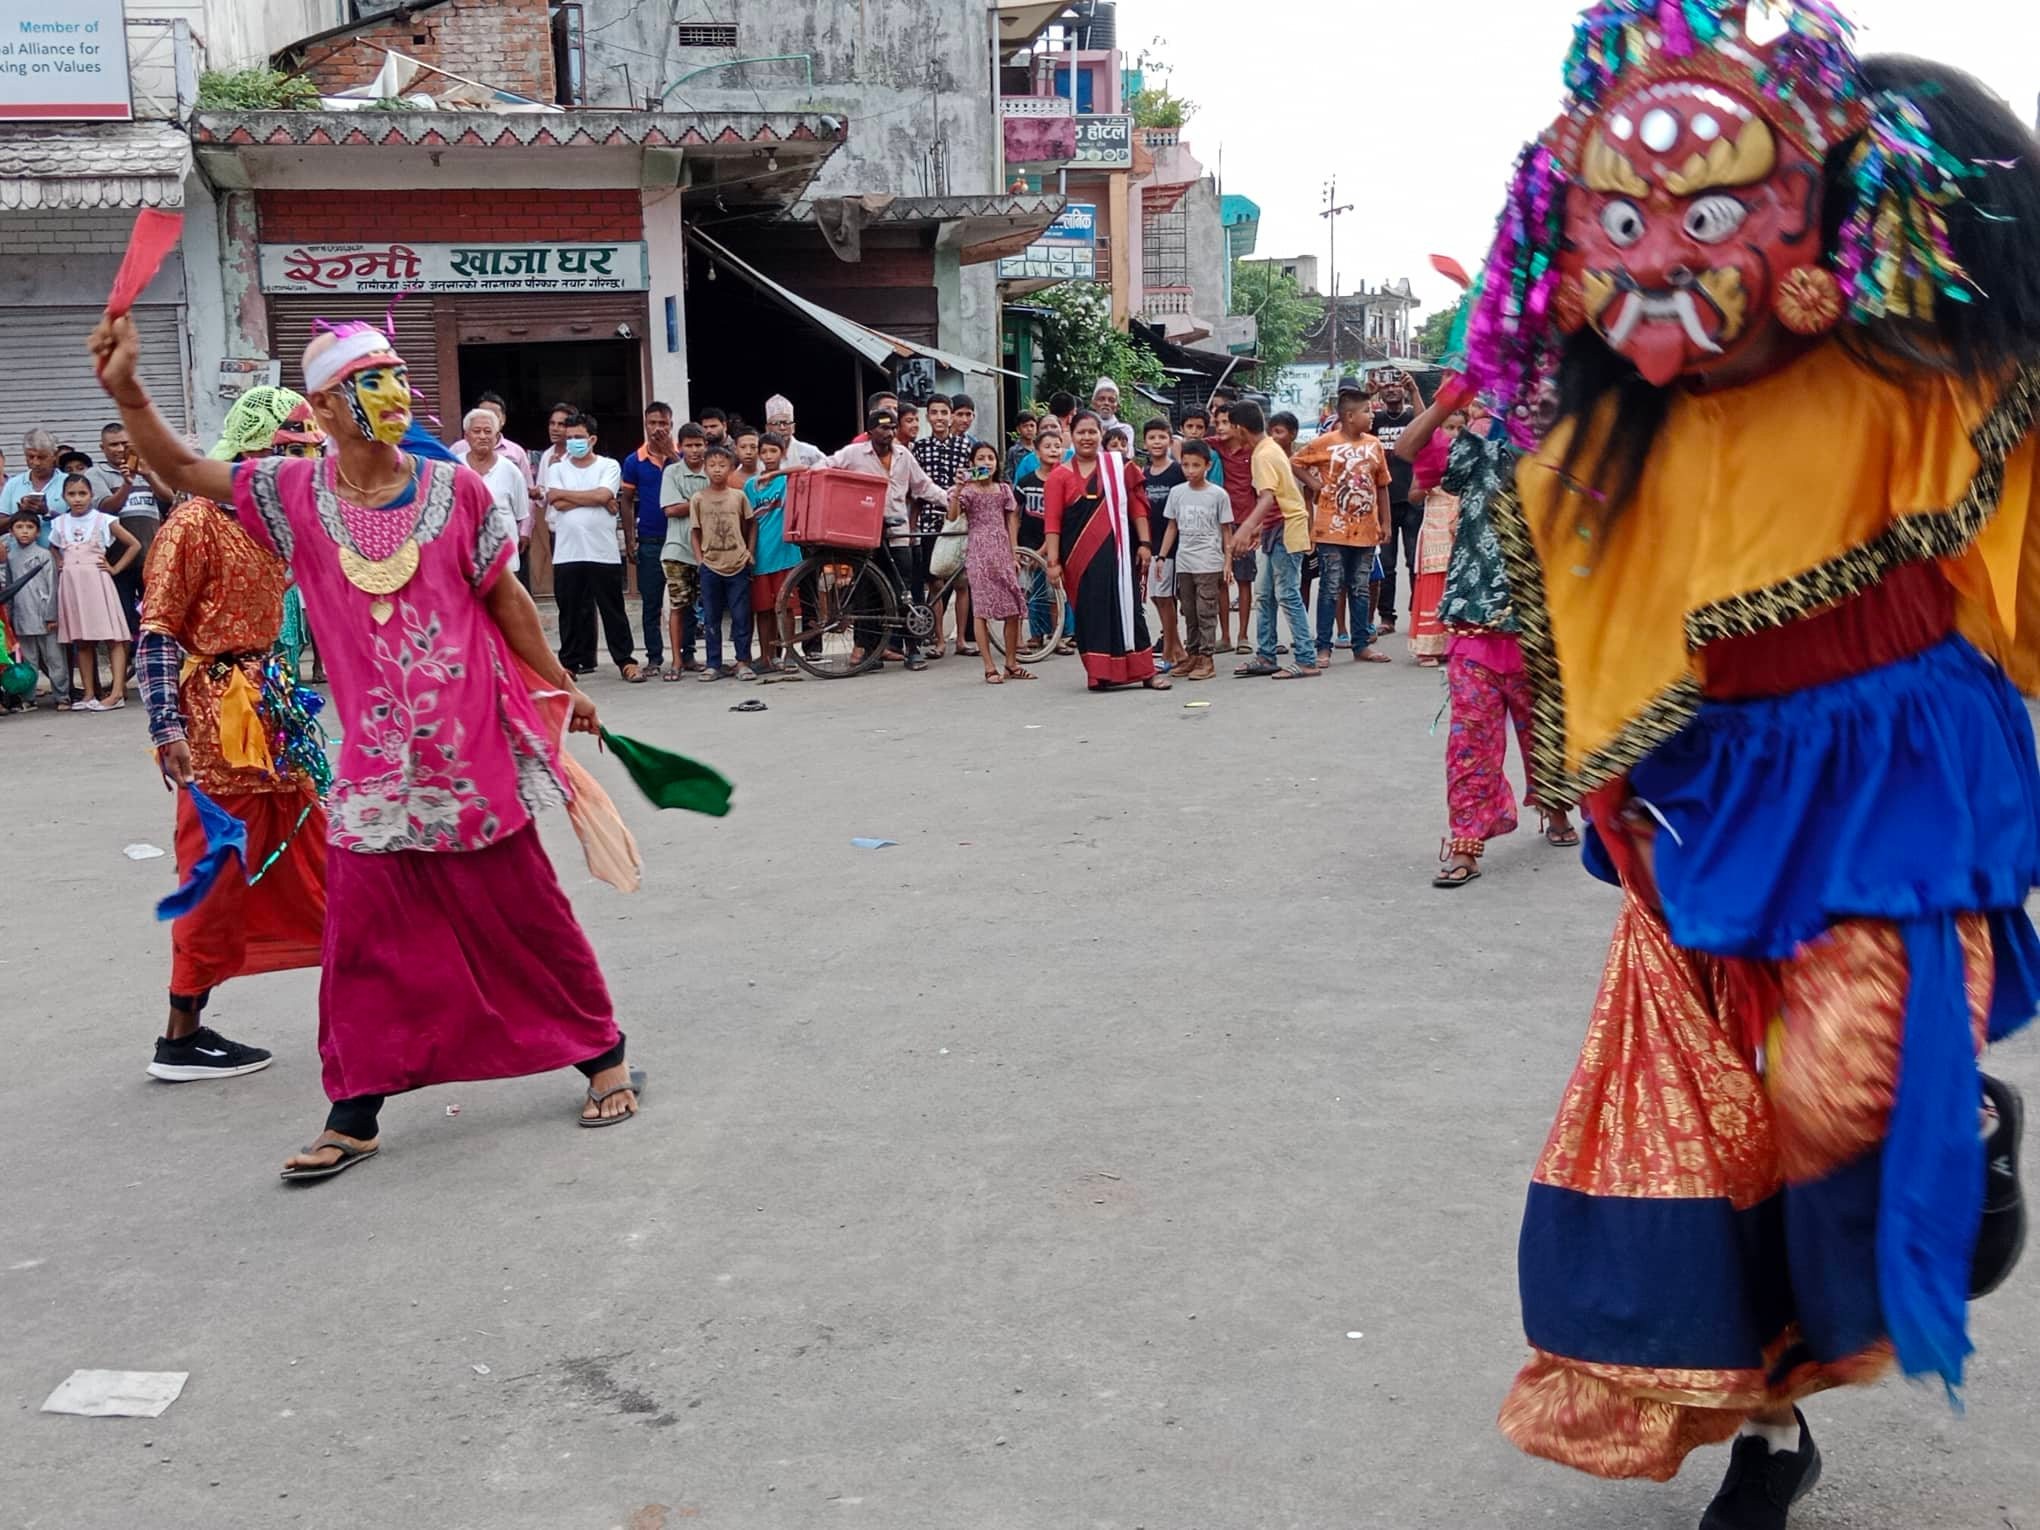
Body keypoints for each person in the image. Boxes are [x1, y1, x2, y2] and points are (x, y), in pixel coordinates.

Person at [1456, 5, 2040, 1523]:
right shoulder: (1596, 443)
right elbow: (1598, 639)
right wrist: (1613, 801)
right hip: (1707, 800)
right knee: (1714, 1136)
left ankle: (1952, 1115)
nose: (1658, 259)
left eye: (1705, 217)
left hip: (1893, 765)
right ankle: (1769, 1424)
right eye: (1624, 222)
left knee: (1842, 1093)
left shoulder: (1913, 381)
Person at [93, 312, 644, 1180]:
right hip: (374, 773)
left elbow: (505, 600)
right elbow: (187, 471)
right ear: (324, 407)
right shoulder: (292, 494)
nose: (391, 393)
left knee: (524, 915)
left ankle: (602, 1053)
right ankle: (354, 1110)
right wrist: (129, 392)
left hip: (471, 759)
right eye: (368, 381)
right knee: (361, 943)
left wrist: (562, 683)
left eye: (394, 377)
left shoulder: (456, 491)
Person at [133, 399, 330, 1084]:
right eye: (290, 452)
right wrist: (167, 728)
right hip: (216, 728)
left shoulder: (278, 522)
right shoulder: (193, 524)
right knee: (216, 877)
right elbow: (158, 630)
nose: (302, 467)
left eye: (309, 454)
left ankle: (388, 991)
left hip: (274, 716)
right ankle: (181, 1036)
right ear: (250, 454)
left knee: (324, 859)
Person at [1043, 412, 1168, 692]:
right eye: (1081, 432)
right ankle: (1100, 674)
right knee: (1091, 613)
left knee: (1130, 610)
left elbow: (1137, 506)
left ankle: (1146, 672)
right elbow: (1052, 522)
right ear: (1071, 436)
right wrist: (1053, 562)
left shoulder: (1118, 467)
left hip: (1119, 555)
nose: (1087, 437)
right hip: (1079, 560)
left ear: (1101, 434)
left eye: (1092, 432)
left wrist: (1146, 544)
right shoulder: (1059, 476)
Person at [823, 406, 948, 670]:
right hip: (865, 533)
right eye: (883, 428)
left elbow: (923, 486)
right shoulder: (854, 453)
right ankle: (869, 652)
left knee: (903, 592)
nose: (889, 433)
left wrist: (951, 501)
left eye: (892, 427)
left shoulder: (904, 455)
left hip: (898, 532)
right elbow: (825, 466)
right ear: (870, 431)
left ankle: (912, 649)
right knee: (866, 592)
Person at [1292, 380, 1394, 666]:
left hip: (1366, 530)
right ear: (1349, 416)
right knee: (1330, 586)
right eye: (1366, 411)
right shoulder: (1326, 442)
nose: (1372, 416)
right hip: (1331, 531)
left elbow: (1382, 485)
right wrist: (1316, 484)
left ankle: (1361, 644)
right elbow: (1296, 462)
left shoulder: (1374, 445)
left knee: (1360, 587)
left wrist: (1386, 522)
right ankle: (1323, 646)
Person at [542, 411, 643, 683]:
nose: (573, 442)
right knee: (570, 611)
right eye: (569, 438)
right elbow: (555, 501)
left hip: (602, 551)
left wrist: (573, 496)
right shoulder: (557, 468)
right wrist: (596, 499)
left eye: (579, 437)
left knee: (613, 609)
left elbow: (604, 494)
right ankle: (569, 664)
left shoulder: (608, 466)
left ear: (592, 439)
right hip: (567, 552)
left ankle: (625, 661)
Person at [1227, 402, 1317, 680]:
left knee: (1287, 593)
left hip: (1287, 528)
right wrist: (1258, 528)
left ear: (1240, 428)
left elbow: (1267, 497)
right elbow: (1278, 494)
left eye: (1230, 426)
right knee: (1264, 593)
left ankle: (1306, 659)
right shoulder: (1267, 449)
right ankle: (1266, 655)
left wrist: (1245, 528)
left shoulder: (1263, 454)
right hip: (1275, 528)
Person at [51, 471, 140, 711]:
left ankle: (117, 692)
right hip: (72, 584)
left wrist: (115, 568)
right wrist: (60, 561)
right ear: (64, 497)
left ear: (91, 495)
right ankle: (89, 692)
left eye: (82, 493)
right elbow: (53, 546)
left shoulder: (103, 520)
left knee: (113, 638)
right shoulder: (59, 523)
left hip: (97, 582)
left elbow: (134, 544)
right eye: (72, 494)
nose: (77, 499)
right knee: (82, 640)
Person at [948, 440, 1032, 684]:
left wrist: (1014, 552)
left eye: (991, 458)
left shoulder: (1004, 489)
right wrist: (958, 489)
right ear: (972, 463)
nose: (986, 463)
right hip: (979, 553)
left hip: (1002, 551)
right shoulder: (967, 491)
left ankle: (1011, 663)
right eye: (981, 458)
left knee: (1013, 607)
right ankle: (989, 667)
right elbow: (952, 516)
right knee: (982, 611)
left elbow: (1011, 521)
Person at [1160, 438, 1232, 681]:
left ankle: (1206, 658)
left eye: (1196, 465)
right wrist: (1162, 556)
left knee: (1206, 610)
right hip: (1184, 562)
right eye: (1186, 465)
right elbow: (1172, 526)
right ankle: (1192, 654)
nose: (1190, 470)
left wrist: (1227, 562)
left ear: (1207, 466)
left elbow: (1226, 530)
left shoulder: (1218, 495)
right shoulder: (1177, 493)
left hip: (1209, 562)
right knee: (1189, 610)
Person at [1405, 402, 1469, 667]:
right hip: (1436, 532)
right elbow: (1413, 496)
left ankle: (1455, 646)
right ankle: (1429, 648)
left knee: (1460, 584)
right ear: (1438, 430)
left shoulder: (1470, 459)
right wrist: (1431, 482)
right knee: (1435, 584)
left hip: (1463, 529)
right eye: (1449, 427)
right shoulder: (1429, 457)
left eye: (1460, 428)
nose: (1454, 433)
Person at [911, 394, 974, 657]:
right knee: (935, 582)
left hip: (960, 521)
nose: (939, 417)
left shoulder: (966, 446)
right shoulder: (918, 447)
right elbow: (914, 488)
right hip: (929, 522)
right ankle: (938, 640)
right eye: (934, 412)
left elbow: (979, 477)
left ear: (951, 416)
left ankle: (961, 640)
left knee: (962, 582)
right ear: (927, 416)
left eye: (944, 412)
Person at [617, 402, 676, 676]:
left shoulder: (682, 456)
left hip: (680, 538)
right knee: (651, 602)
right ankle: (654, 658)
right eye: (653, 423)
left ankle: (687, 655)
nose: (657, 428)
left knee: (684, 600)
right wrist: (630, 539)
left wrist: (670, 454)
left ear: (671, 425)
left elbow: (691, 483)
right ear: (645, 424)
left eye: (663, 423)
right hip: (650, 539)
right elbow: (627, 501)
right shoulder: (634, 461)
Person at [93, 421, 164, 638]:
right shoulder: (96, 474)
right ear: (102, 448)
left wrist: (148, 474)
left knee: (156, 619)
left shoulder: (149, 467)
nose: (120, 449)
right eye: (113, 444)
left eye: (125, 443)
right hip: (117, 561)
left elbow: (169, 499)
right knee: (123, 623)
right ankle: (127, 658)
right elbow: (106, 508)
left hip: (152, 558)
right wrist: (127, 483)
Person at [691, 443, 756, 681]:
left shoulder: (738, 496)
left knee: (741, 616)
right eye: (712, 465)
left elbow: (752, 524)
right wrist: (700, 560)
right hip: (711, 565)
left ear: (730, 468)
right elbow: (695, 531)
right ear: (705, 468)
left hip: (737, 563)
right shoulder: (698, 499)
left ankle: (743, 662)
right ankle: (713, 663)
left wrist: (749, 552)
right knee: (711, 617)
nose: (717, 469)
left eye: (722, 465)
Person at [747, 433, 802, 676]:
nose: (768, 456)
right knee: (763, 610)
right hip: (761, 554)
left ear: (782, 453)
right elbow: (749, 522)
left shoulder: (788, 480)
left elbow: (806, 468)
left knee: (786, 607)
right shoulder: (750, 486)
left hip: (786, 553)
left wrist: (775, 474)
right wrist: (749, 552)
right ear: (759, 454)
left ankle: (790, 653)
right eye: (764, 452)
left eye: (774, 451)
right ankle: (767, 656)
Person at [658, 423, 710, 676]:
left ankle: (698, 658)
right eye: (689, 445)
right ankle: (677, 661)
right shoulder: (672, 472)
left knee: (706, 607)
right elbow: (670, 509)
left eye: (698, 445)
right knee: (678, 606)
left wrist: (689, 503)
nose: (694, 450)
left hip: (710, 550)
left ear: (706, 445)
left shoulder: (713, 469)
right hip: (677, 549)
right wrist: (705, 499)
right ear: (680, 447)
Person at [1368, 374, 1419, 631]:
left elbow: (1427, 425)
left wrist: (1415, 391)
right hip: (1384, 501)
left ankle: (1417, 614)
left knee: (1414, 561)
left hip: (1412, 500)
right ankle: (1386, 618)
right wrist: (1367, 395)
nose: (1391, 389)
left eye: (1396, 384)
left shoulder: (1412, 416)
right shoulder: (1375, 419)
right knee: (1386, 564)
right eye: (1386, 386)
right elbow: (1353, 428)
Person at [1013, 419, 1065, 653]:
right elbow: (1014, 515)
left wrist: (1043, 551)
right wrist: (1015, 546)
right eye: (1048, 446)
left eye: (1057, 446)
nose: (1053, 450)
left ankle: (1057, 636)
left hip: (1052, 546)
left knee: (1054, 593)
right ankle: (1030, 636)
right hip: (1026, 546)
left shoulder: (1063, 481)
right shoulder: (1026, 482)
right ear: (1036, 452)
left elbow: (1060, 520)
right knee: (1025, 593)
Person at [1209, 401, 1257, 654]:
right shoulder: (1215, 446)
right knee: (1221, 580)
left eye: (1226, 422)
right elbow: (1184, 444)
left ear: (1238, 426)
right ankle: (1225, 635)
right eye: (1217, 422)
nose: (1220, 427)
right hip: (1222, 523)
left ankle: (1243, 635)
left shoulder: (1252, 450)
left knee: (1244, 579)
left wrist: (1257, 525)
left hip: (1245, 523)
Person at [1, 508, 63, 706]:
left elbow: (53, 585)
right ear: (11, 532)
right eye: (19, 527)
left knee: (55, 658)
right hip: (21, 616)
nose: (24, 531)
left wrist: (52, 615)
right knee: (28, 660)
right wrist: (9, 618)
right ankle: (28, 698)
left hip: (44, 615)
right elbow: (9, 589)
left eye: (29, 527)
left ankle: (62, 696)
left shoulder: (44, 555)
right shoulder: (10, 557)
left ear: (38, 532)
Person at [1139, 418, 1187, 670]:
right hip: (1153, 541)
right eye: (1152, 438)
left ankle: (1169, 652)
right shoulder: (1143, 474)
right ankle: (1177, 648)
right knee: (1157, 597)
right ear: (1144, 442)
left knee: (1166, 597)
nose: (1157, 442)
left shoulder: (1178, 471)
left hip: (1174, 543)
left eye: (1161, 437)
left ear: (1170, 440)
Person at [462, 407, 531, 580]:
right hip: (465, 557)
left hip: (503, 559)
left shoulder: (511, 471)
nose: (482, 436)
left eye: (488, 431)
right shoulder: (455, 467)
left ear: (496, 436)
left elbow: (520, 513)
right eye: (476, 431)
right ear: (466, 436)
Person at [2, 428, 60, 546]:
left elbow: (80, 523)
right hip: (17, 555)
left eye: (41, 457)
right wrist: (20, 514)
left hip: (58, 554)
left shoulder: (68, 483)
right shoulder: (13, 484)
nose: (36, 462)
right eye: (30, 457)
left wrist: (47, 513)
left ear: (54, 455)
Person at [762, 395, 825, 469]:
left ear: (793, 427)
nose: (782, 428)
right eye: (776, 423)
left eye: (786, 422)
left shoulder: (810, 453)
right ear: (767, 429)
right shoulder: (759, 457)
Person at [1005, 412, 1038, 481]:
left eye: (1032, 426)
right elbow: (1009, 475)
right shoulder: (1013, 451)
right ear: (1018, 429)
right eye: (1025, 426)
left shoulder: (1040, 448)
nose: (1029, 429)